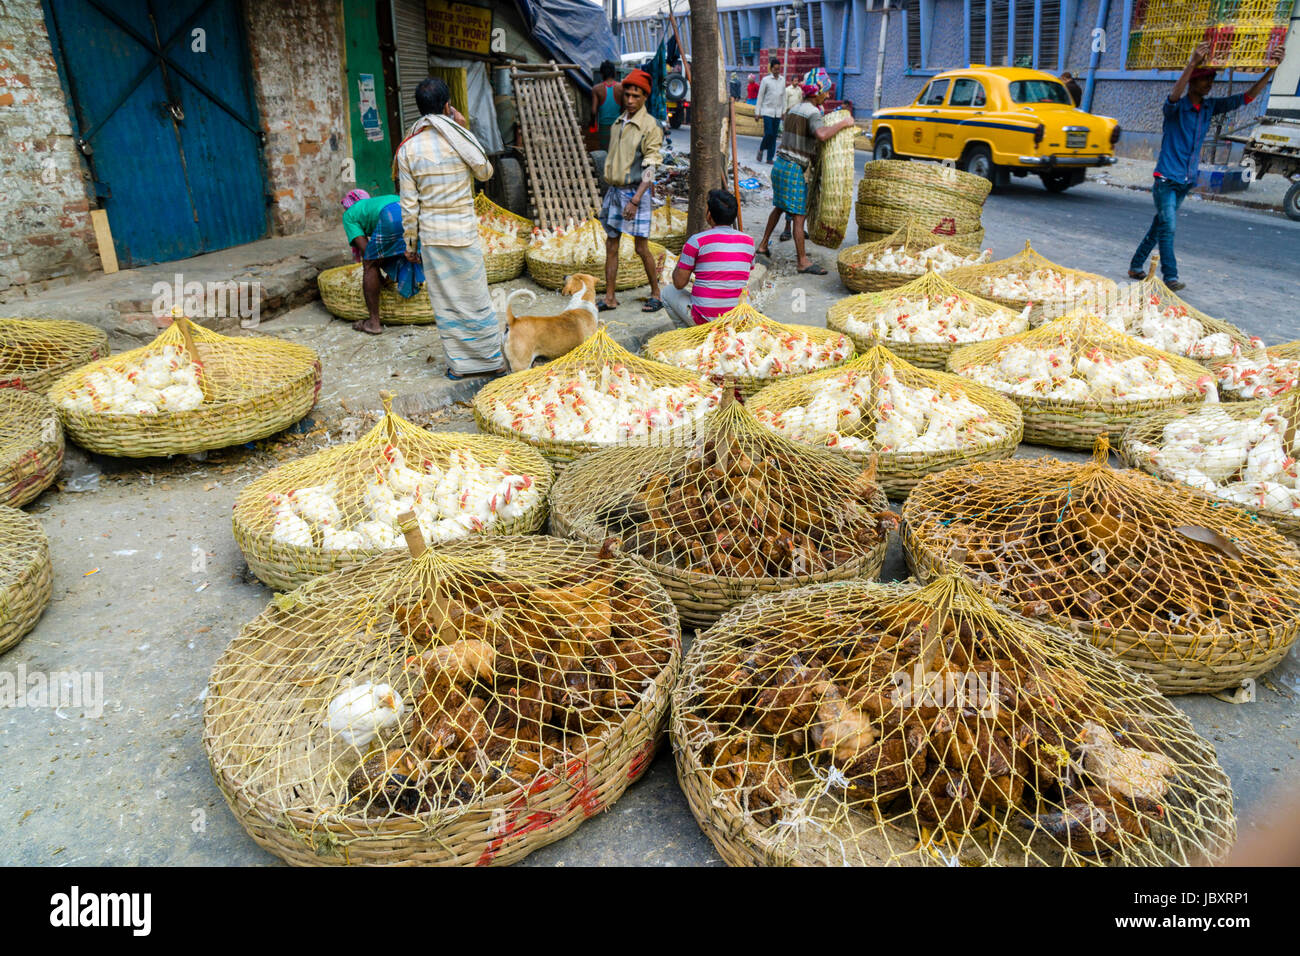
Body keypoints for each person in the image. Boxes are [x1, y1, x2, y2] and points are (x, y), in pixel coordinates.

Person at [1128, 40, 1284, 290]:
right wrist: (1192, 63)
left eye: (1211, 79)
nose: (1209, 83)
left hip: (1186, 180)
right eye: (1204, 79)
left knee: (1161, 225)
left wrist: (1272, 70)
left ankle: (1136, 265)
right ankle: (1170, 277)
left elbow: (1246, 97)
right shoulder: (1175, 109)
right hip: (1166, 179)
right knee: (1168, 227)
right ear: (1192, 81)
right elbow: (1173, 96)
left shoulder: (1209, 107)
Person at [396, 77, 505, 379]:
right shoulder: (460, 139)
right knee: (476, 298)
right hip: (462, 233)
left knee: (446, 303)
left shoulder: (408, 149)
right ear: (447, 106)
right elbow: (485, 171)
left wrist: (410, 243)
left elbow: (409, 205)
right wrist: (464, 128)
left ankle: (460, 366)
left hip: (432, 237)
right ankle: (492, 360)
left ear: (419, 109)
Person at [756, 74, 856, 275]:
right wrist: (844, 123)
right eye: (825, 92)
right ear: (815, 94)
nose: (827, 96)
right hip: (793, 168)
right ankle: (802, 262)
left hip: (780, 164)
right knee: (799, 216)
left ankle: (763, 246)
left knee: (779, 207)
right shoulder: (813, 112)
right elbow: (822, 134)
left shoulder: (794, 108)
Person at [600, 69, 664, 312]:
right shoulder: (618, 123)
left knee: (641, 247)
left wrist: (636, 199)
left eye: (636, 96)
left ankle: (656, 294)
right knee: (611, 245)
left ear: (645, 97)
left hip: (636, 193)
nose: (630, 100)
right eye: (627, 95)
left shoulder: (650, 126)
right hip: (615, 192)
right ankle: (609, 297)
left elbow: (651, 167)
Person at [662, 188, 755, 328]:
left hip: (705, 320)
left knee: (667, 292)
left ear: (709, 215)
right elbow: (743, 271)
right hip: (739, 318)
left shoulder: (696, 241)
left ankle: (687, 333)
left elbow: (679, 283)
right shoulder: (749, 241)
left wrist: (684, 258)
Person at [340, 189, 426, 335]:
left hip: (390, 215)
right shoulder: (375, 203)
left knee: (369, 264)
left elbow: (367, 252)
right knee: (411, 254)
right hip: (413, 212)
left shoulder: (349, 214)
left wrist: (376, 273)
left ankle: (373, 323)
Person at [755, 59, 786, 164]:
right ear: (771, 69)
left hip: (778, 112)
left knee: (774, 136)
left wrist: (784, 111)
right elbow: (760, 96)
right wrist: (757, 112)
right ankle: (761, 149)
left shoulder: (782, 80)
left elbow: (784, 96)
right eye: (775, 69)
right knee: (768, 133)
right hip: (767, 111)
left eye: (778, 69)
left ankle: (769, 158)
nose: (777, 71)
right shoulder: (765, 80)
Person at [591, 60, 623, 152]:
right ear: (614, 72)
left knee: (605, 151)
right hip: (618, 125)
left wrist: (592, 124)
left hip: (603, 126)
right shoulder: (621, 87)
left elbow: (593, 111)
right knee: (617, 150)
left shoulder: (596, 89)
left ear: (602, 73)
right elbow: (624, 109)